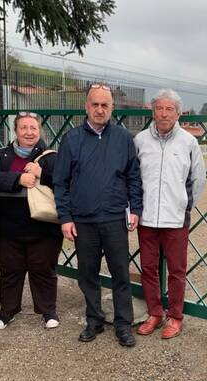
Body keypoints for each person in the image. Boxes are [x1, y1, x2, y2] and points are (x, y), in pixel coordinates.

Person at [53, 83, 142, 347]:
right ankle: (94, 319)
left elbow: (133, 177)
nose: (100, 109)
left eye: (105, 105)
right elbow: (61, 182)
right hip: (83, 220)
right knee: (87, 273)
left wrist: (135, 208)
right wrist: (66, 217)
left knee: (120, 274)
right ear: (86, 106)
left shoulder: (123, 139)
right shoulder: (71, 139)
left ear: (112, 108)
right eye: (95, 104)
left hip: (115, 217)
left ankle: (123, 324)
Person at [134, 89, 206, 339]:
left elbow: (198, 179)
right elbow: (133, 177)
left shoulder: (188, 142)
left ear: (178, 113)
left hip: (176, 219)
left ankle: (175, 317)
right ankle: (155, 312)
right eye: (160, 109)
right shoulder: (141, 140)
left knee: (177, 271)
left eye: (169, 109)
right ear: (152, 111)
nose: (164, 114)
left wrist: (185, 206)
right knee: (148, 268)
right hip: (146, 217)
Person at [0, 112, 63, 330]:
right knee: (10, 271)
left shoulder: (51, 157)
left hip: (43, 228)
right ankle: (7, 312)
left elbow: (64, 181)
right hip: (7, 230)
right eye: (23, 127)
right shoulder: (2, 155)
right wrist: (18, 179)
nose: (29, 132)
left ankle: (48, 310)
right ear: (15, 131)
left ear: (40, 131)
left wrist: (40, 172)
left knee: (43, 270)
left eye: (33, 128)